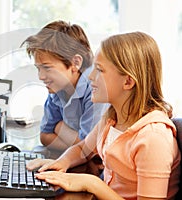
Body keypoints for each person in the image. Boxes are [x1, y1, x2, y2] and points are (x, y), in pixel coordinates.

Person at [26, 31, 181, 200]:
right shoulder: (111, 118)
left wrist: (91, 183)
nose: (91, 76)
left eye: (99, 70)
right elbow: (82, 149)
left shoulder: (153, 138)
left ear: (128, 82)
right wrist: (61, 163)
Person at [21, 20, 107, 152]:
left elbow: (91, 149)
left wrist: (59, 128)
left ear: (75, 63)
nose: (41, 76)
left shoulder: (96, 88)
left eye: (47, 68)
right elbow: (44, 137)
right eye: (38, 69)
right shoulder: (57, 89)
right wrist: (79, 146)